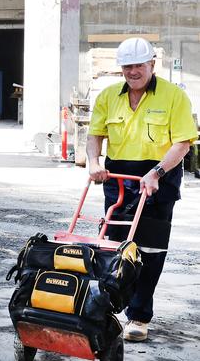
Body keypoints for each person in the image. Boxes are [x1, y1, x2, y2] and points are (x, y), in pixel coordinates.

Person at [87, 37, 198, 342]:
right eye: (127, 66)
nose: (133, 71)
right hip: (119, 180)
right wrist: (93, 162)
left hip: (158, 180)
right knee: (115, 250)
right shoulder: (109, 96)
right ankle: (110, 308)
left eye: (139, 65)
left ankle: (138, 316)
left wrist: (157, 171)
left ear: (152, 64)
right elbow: (95, 134)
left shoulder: (174, 96)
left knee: (149, 251)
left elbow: (183, 143)